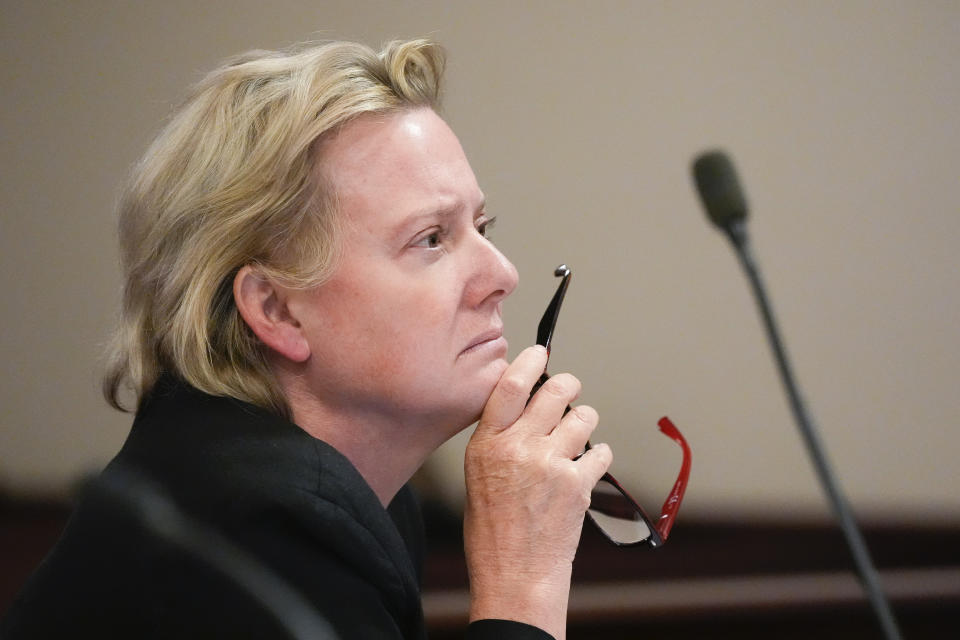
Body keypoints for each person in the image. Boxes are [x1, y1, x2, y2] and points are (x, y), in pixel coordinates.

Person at [1, 38, 611, 640]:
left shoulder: (345, 499)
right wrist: (521, 587)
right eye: (430, 239)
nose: (503, 276)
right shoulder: (259, 524)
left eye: (481, 226)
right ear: (277, 311)